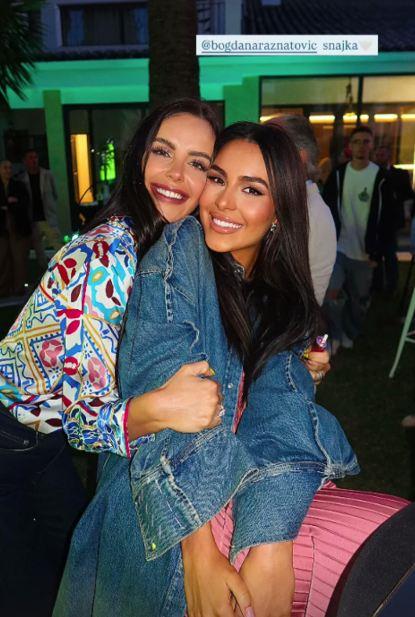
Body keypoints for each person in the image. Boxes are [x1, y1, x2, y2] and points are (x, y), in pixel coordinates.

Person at [54, 122, 364, 617]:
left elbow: (281, 411)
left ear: (280, 211)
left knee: (380, 548)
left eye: (252, 190)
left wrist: (270, 543)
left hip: (242, 492)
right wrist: (198, 548)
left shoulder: (282, 303)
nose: (223, 201)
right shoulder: (183, 250)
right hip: (162, 514)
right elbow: (164, 373)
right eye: (218, 179)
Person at [0, 99, 230, 617]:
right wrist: (159, 408)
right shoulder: (108, 255)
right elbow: (84, 421)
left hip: (44, 443)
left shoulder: (160, 242)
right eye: (163, 152)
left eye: (197, 163)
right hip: (11, 440)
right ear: (139, 157)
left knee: (72, 572)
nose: (176, 174)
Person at [323, 126, 395, 354]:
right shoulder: (338, 174)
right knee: (332, 294)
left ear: (371, 145)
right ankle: (335, 335)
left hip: (366, 253)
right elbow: (327, 209)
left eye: (366, 141)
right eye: (356, 141)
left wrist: (377, 253)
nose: (361, 146)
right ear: (350, 146)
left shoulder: (382, 177)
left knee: (358, 299)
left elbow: (388, 219)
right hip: (339, 249)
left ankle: (351, 331)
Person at [266, 115, 337, 305]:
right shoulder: (292, 200)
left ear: (300, 157)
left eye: (271, 146)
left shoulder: (309, 212)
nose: (261, 152)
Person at [374, 144, 415, 293]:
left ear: (389, 156)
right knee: (377, 254)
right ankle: (378, 286)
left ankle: (391, 286)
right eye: (378, 155)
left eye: (382, 155)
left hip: (391, 221)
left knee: (390, 254)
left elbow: (408, 194)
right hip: (376, 220)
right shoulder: (373, 173)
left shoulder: (399, 174)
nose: (379, 158)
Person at [18, 149, 63, 270]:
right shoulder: (22, 179)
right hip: (33, 220)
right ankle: (44, 273)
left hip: (48, 217)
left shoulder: (47, 175)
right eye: (30, 157)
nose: (34, 160)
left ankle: (62, 270)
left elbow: (55, 194)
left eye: (35, 157)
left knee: (58, 246)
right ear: (25, 161)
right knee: (39, 252)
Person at [0, 159, 32, 296]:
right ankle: (3, 289)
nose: (8, 170)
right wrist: (9, 202)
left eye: (9, 168)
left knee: (19, 259)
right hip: (2, 227)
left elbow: (24, 202)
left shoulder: (18, 185)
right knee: (3, 259)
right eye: (5, 168)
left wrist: (9, 205)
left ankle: (19, 288)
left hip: (17, 226)